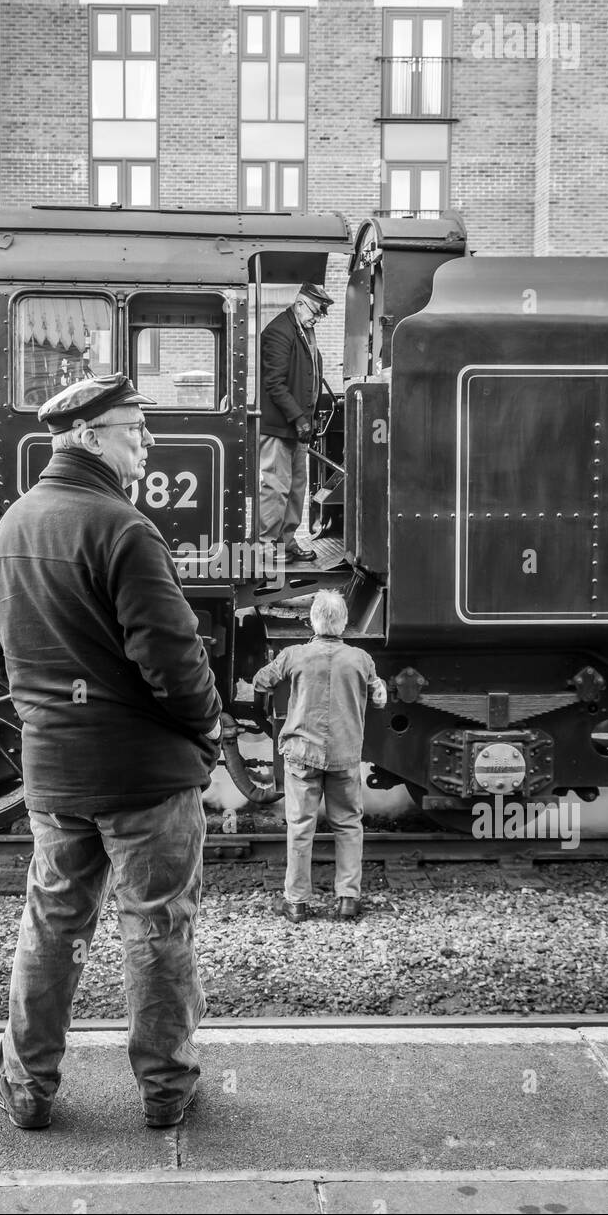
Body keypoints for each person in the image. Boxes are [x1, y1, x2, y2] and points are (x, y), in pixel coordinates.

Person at [0, 371, 223, 1132]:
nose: (147, 442)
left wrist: (51, 721)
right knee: (156, 928)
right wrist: (208, 727)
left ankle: (27, 1089)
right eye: (134, 429)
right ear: (89, 436)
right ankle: (166, 1089)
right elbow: (174, 662)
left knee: (52, 926)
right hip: (145, 777)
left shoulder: (7, 532)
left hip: (56, 776)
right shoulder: (124, 530)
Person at [252, 589, 387, 922]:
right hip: (344, 756)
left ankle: (296, 903)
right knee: (349, 826)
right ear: (344, 622)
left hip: (302, 755)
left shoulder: (293, 655)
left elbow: (260, 681)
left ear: (313, 621)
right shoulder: (361, 659)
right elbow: (379, 696)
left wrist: (271, 701)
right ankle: (348, 899)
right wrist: (376, 689)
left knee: (300, 827)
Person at [258, 281, 334, 562]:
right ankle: (266, 546)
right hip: (279, 426)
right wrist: (299, 418)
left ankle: (286, 541)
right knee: (275, 488)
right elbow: (274, 383)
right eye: (315, 311)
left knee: (295, 488)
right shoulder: (279, 331)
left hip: (297, 427)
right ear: (300, 303)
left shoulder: (304, 330)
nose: (318, 318)